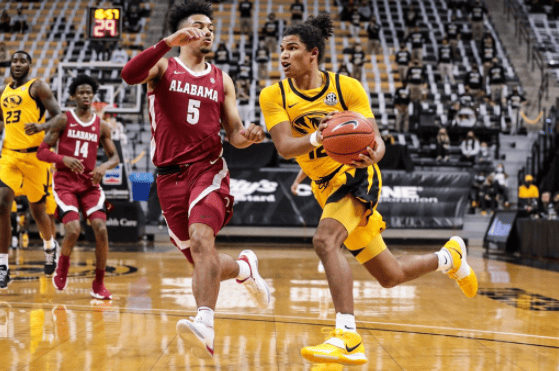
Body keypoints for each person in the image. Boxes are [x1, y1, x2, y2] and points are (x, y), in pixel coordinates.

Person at [259, 13, 477, 367]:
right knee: (390, 276)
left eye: (292, 48)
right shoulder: (274, 94)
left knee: (324, 241)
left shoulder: (347, 88)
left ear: (313, 53)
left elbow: (375, 143)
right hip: (324, 187)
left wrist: (373, 152)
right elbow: (285, 146)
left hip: (356, 175)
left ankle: (347, 336)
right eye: (281, 49)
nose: (283, 55)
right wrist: (319, 136)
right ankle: (449, 258)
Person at [121, 0, 270, 359]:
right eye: (200, 26)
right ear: (184, 32)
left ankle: (205, 322)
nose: (207, 32)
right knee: (206, 263)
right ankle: (246, 268)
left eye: (211, 28)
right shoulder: (162, 66)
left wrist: (246, 136)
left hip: (208, 169)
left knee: (203, 241)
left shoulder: (223, 79)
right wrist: (166, 42)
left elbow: (233, 132)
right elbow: (128, 75)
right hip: (168, 179)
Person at [36, 74, 119, 299]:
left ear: (93, 96)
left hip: (89, 184)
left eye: (88, 93)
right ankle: (62, 267)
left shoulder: (101, 125)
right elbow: (42, 151)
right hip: (65, 184)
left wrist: (103, 168)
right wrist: (63, 160)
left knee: (101, 228)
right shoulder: (63, 120)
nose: (85, 96)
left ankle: (98, 284)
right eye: (80, 92)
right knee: (73, 230)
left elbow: (115, 157)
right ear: (73, 96)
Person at [0, 51, 62, 289]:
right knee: (2, 202)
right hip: (10, 156)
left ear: (29, 65)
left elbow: (60, 117)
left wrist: (41, 125)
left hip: (36, 157)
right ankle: (3, 266)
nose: (17, 64)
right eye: (14, 60)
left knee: (38, 211)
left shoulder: (38, 87)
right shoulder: (3, 93)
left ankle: (49, 247)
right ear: (10, 64)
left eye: (22, 60)